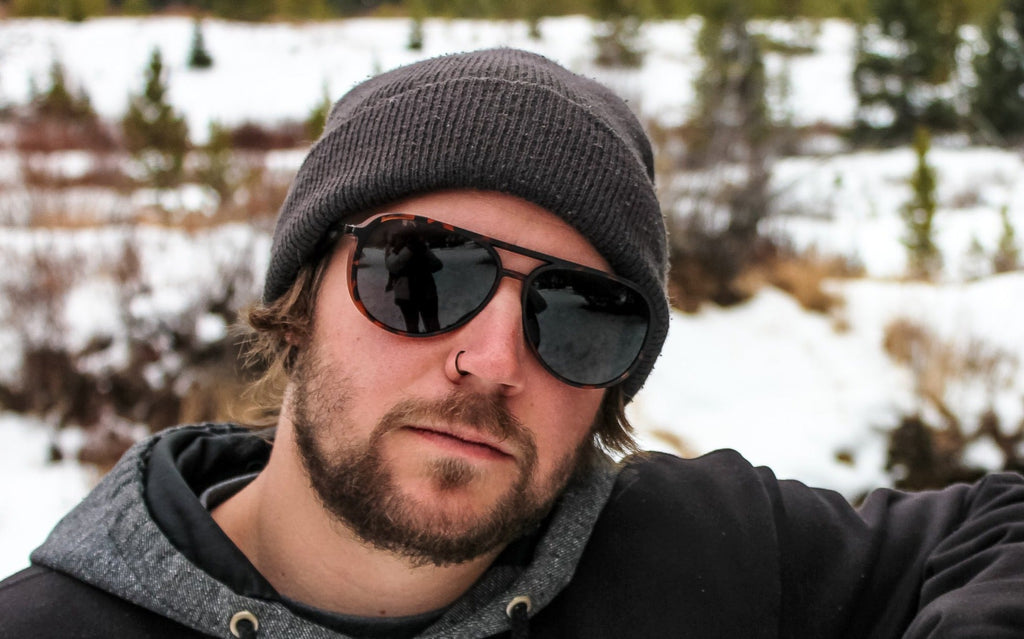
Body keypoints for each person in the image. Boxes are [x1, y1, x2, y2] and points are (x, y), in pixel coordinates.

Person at [1, 48, 1023, 639]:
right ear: (299, 297)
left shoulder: (699, 557)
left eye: (578, 314)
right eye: (421, 275)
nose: (492, 360)